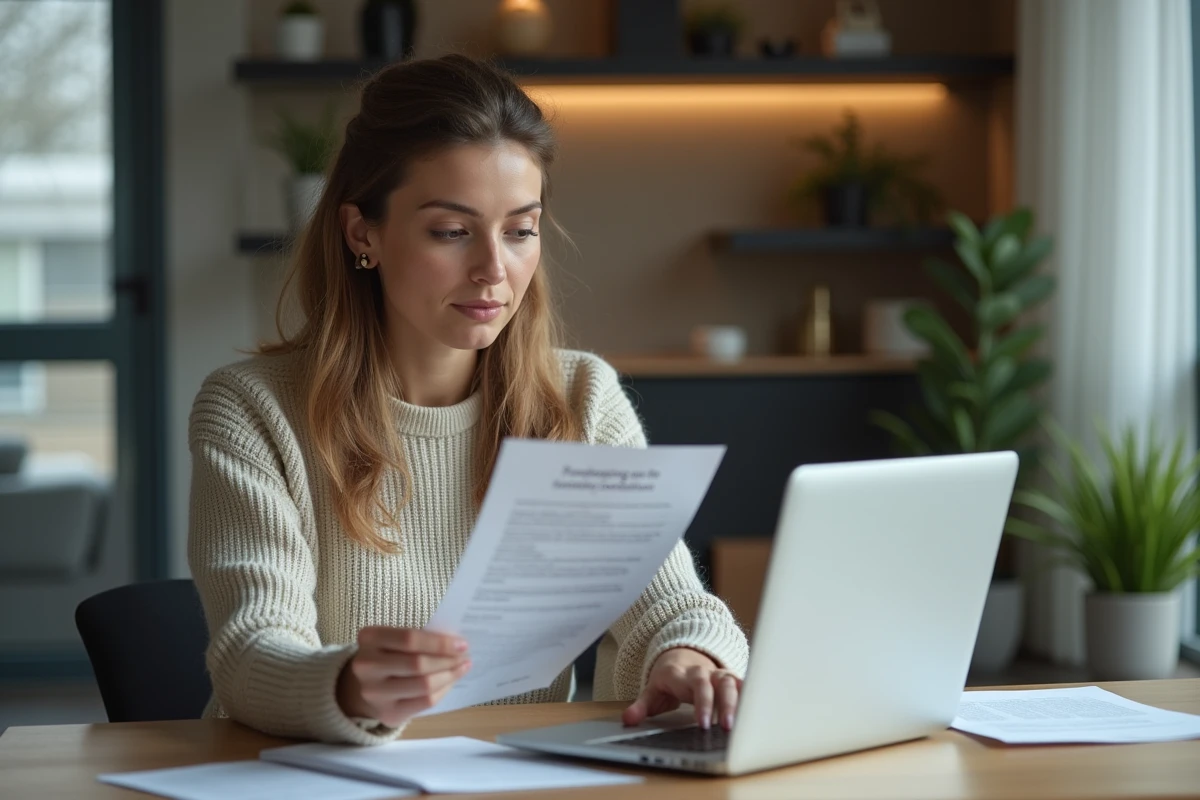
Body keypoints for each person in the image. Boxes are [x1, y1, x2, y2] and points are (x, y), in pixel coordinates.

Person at [188, 54, 749, 746]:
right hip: (310, 778)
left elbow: (672, 608)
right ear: (362, 232)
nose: (493, 269)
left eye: (520, 230)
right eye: (451, 232)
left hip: (513, 778)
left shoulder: (581, 396)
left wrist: (689, 658)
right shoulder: (251, 412)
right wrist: (348, 685)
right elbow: (250, 650)